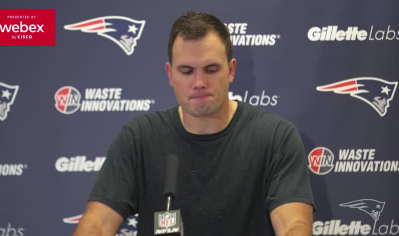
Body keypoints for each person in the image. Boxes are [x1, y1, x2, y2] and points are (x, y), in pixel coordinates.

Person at [74, 10, 314, 236]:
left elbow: (294, 224)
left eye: (210, 69)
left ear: (230, 71)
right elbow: (97, 223)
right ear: (170, 74)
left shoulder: (275, 138)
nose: (199, 82)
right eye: (187, 71)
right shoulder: (139, 138)